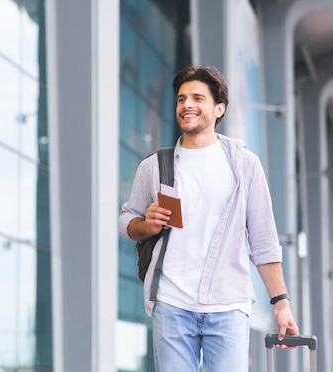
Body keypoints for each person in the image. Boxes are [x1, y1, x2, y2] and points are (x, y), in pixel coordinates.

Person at [118, 65, 299, 371]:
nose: (187, 104)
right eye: (181, 99)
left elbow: (264, 239)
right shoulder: (155, 166)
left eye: (197, 98)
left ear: (219, 109)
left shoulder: (244, 165)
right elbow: (127, 220)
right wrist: (145, 226)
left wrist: (281, 303)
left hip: (228, 304)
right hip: (171, 302)